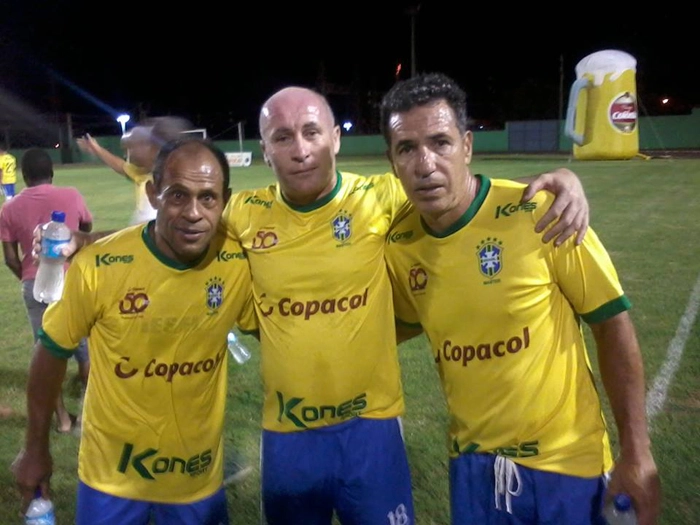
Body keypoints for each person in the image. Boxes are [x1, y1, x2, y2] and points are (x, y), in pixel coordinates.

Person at [48, 87, 591, 524]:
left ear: (334, 137)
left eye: (311, 132)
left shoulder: (381, 196)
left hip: (372, 427)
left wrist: (558, 184)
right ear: (265, 149)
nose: (300, 148)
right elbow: (178, 224)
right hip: (287, 435)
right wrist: (88, 243)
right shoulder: (246, 212)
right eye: (282, 136)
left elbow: (458, 188)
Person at [380, 72, 661, 525]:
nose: (425, 163)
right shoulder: (399, 244)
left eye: (440, 142)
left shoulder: (545, 212)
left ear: (467, 146)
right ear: (392, 161)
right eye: (407, 148)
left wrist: (637, 452)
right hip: (472, 470)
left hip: (566, 465)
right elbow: (402, 322)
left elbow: (612, 325)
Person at [11, 138, 256, 525]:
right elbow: (52, 351)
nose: (194, 212)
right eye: (178, 195)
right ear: (153, 193)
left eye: (208, 198)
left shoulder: (239, 260)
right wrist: (35, 447)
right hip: (110, 480)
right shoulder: (100, 266)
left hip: (195, 479)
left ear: (224, 200)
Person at [0, 147, 93, 435]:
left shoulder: (9, 208)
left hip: (35, 286)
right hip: (71, 283)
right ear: (51, 172)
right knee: (85, 350)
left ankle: (64, 421)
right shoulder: (72, 195)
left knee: (48, 356)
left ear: (24, 176)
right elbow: (86, 231)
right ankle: (92, 415)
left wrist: (28, 279)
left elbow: (10, 258)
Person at [76, 116, 192, 225]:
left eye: (140, 144)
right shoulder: (145, 173)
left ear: (157, 149)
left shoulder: (168, 193)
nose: (131, 151)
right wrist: (96, 149)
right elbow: (121, 166)